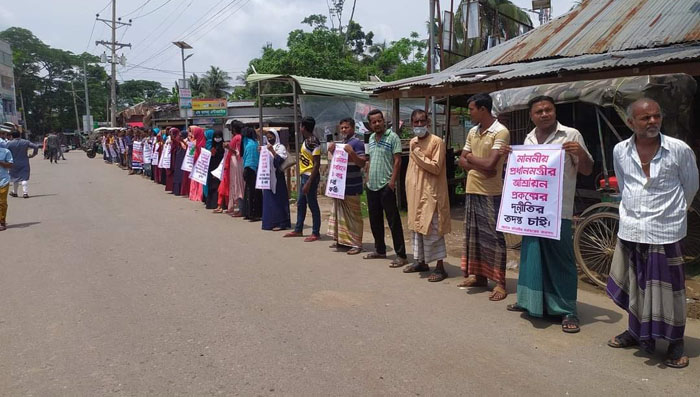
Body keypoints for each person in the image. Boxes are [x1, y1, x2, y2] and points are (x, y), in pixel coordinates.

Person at [606, 98, 699, 368]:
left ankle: (675, 342)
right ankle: (636, 333)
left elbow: (690, 186)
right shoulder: (620, 151)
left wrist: (672, 215)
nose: (653, 122)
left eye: (656, 116)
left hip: (665, 231)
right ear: (630, 122)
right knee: (637, 285)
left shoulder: (678, 149)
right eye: (645, 118)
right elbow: (624, 186)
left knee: (670, 291)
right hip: (632, 229)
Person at [503, 95, 593, 332]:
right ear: (532, 115)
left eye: (548, 110)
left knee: (561, 261)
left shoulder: (571, 135)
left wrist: (580, 153)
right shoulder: (529, 138)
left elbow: (587, 169)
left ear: (555, 111)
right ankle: (530, 302)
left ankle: (567, 310)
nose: (544, 114)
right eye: (539, 111)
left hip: (558, 213)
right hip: (532, 211)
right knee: (531, 257)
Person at [457, 93, 510, 301]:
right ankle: (478, 276)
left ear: (483, 110)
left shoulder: (501, 132)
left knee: (495, 238)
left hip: (491, 191)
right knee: (474, 235)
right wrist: (476, 163)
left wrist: (471, 160)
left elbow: (491, 165)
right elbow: (462, 159)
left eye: (471, 109)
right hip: (472, 188)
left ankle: (500, 283)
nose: (469, 113)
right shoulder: (472, 131)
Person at [402, 109, 451, 281]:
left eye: (422, 121)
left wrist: (417, 153)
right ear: (411, 123)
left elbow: (436, 167)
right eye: (416, 122)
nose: (419, 125)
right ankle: (421, 262)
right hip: (415, 193)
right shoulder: (413, 141)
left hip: (431, 193)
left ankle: (440, 267)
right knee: (417, 228)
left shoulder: (437, 142)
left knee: (433, 229)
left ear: (428, 122)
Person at [362, 109, 407, 267]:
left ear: (384, 121)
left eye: (379, 121)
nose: (377, 124)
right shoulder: (372, 138)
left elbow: (397, 161)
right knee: (375, 220)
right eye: (373, 122)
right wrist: (366, 179)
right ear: (370, 125)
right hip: (372, 185)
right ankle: (380, 249)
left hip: (386, 185)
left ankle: (401, 255)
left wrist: (392, 182)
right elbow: (369, 160)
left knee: (393, 221)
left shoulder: (393, 137)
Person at [327, 117, 366, 255]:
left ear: (353, 128)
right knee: (341, 215)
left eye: (346, 127)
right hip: (340, 186)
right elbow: (339, 162)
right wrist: (332, 151)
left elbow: (361, 163)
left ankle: (356, 244)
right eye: (342, 127)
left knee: (354, 216)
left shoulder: (357, 143)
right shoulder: (343, 143)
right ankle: (344, 240)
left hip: (352, 185)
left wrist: (352, 152)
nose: (344, 130)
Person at [284, 117, 322, 242]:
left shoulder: (313, 142)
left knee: (312, 204)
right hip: (304, 175)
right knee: (301, 203)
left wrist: (309, 182)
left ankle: (315, 232)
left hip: (310, 176)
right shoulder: (307, 141)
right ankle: (298, 229)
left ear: (303, 127)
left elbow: (316, 163)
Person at [261, 129, 291, 231]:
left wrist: (272, 151)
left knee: (278, 200)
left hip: (278, 177)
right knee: (269, 200)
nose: (270, 140)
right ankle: (269, 222)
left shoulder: (280, 147)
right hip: (268, 177)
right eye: (268, 138)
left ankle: (281, 223)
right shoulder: (266, 147)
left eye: (271, 137)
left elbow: (280, 161)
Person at [218, 121, 244, 215]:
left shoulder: (238, 137)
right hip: (233, 161)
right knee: (235, 184)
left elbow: (237, 152)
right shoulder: (237, 137)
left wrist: (228, 148)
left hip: (235, 162)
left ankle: (240, 208)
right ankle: (236, 206)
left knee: (237, 184)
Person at [5, 130, 39, 198]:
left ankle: (15, 192)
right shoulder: (25, 142)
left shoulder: (9, 144)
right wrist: (33, 154)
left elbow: (5, 152)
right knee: (24, 177)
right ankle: (25, 193)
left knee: (15, 177)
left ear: (12, 136)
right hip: (24, 162)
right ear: (20, 135)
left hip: (13, 163)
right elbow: (35, 146)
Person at [241, 127, 262, 221]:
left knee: (251, 192)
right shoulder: (254, 143)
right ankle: (251, 213)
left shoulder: (249, 145)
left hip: (250, 169)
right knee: (251, 192)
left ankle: (252, 213)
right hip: (252, 169)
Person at [205, 131, 225, 210]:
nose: (217, 138)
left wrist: (218, 153)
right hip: (212, 167)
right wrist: (211, 153)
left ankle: (220, 204)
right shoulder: (211, 145)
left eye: (219, 136)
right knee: (212, 186)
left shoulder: (223, 146)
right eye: (216, 136)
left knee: (219, 186)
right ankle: (211, 203)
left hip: (220, 168)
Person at [188, 126, 206, 201]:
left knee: (199, 178)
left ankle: (200, 194)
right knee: (194, 178)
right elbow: (191, 152)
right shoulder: (194, 140)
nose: (192, 134)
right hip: (194, 161)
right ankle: (194, 193)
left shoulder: (203, 141)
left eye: (192, 132)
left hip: (201, 163)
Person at [0, 143, 13, 231]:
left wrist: (1, 162)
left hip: (3, 181)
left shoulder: (6, 151)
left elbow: (10, 165)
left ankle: (2, 221)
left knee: (2, 202)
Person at [171, 129, 187, 196]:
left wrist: (182, 142)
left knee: (181, 175)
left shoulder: (186, 142)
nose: (179, 137)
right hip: (178, 159)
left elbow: (186, 148)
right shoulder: (179, 142)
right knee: (177, 174)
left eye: (181, 136)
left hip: (183, 160)